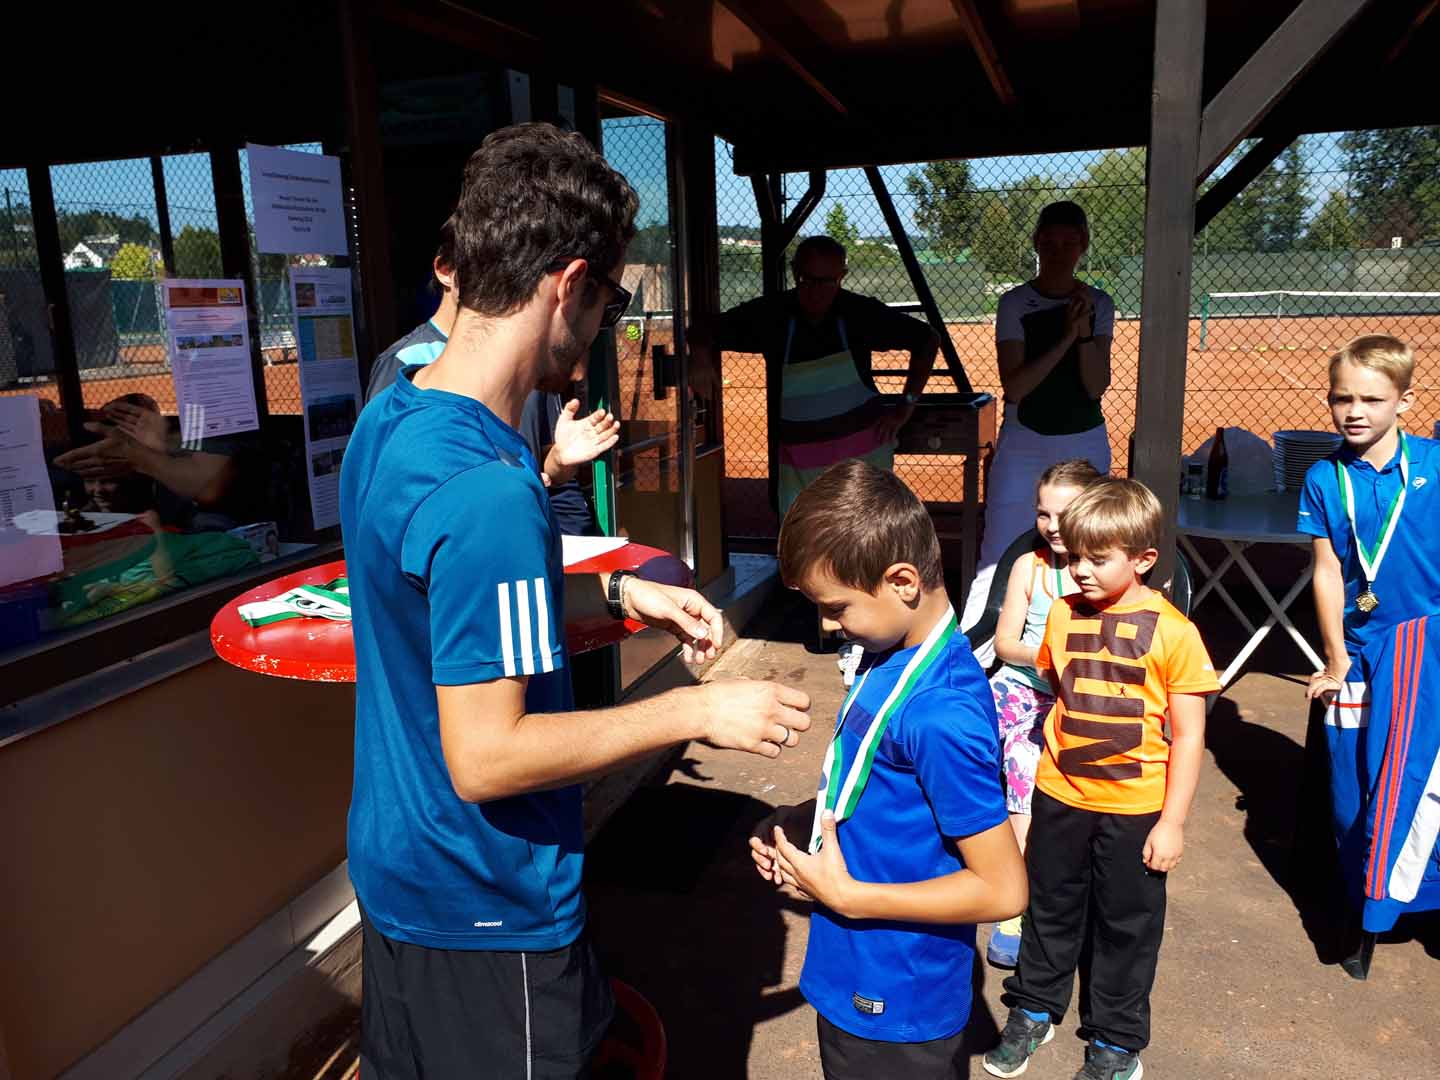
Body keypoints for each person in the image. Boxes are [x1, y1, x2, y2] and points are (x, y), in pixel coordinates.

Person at [340, 122, 812, 1079]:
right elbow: (488, 756)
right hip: (488, 905)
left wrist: (620, 590)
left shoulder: (391, 418)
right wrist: (694, 712)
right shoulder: (493, 493)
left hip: (401, 874)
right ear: (569, 285)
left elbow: (449, 602)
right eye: (611, 301)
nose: (605, 328)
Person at [748, 459, 1027, 1080]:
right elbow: (881, 786)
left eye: (836, 607)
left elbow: (1003, 889)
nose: (827, 624)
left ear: (902, 581)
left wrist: (849, 896)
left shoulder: (941, 713)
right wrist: (804, 821)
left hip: (899, 997)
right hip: (855, 969)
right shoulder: (889, 653)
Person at [984, 477, 1218, 1080]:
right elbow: (1059, 690)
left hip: (1135, 808)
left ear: (1142, 559)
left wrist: (1172, 823)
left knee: (1125, 924)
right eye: (1074, 558)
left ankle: (1116, 1041)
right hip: (1059, 794)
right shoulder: (1061, 614)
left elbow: (1188, 736)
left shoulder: (1175, 632)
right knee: (1048, 906)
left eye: (1097, 558)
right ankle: (1034, 1007)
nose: (1080, 570)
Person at [1298, 335, 1440, 956]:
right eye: (1342, 398)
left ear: (1405, 401)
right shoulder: (1323, 477)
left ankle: (1420, 898)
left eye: (1372, 400)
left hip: (1427, 646)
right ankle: (1369, 901)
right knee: (1358, 779)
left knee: (1419, 776)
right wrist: (1335, 658)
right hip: (1361, 648)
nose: (1354, 411)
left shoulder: (1434, 465)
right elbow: (1328, 570)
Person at [365, 215, 615, 535]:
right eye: (479, 265)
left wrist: (556, 462)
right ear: (445, 271)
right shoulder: (405, 365)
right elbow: (395, 500)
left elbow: (533, 470)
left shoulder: (531, 359)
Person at [688, 235, 940, 519]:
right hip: (799, 471)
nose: (815, 292)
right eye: (806, 280)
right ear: (794, 271)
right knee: (803, 540)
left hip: (862, 468)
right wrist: (699, 355)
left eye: (827, 281)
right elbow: (702, 329)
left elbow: (927, 339)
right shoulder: (772, 315)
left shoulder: (859, 312)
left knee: (865, 539)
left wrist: (906, 406)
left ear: (842, 276)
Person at [961, 201, 1114, 666]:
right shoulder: (1015, 303)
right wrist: (1067, 335)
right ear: (1036, 243)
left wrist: (1084, 334)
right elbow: (1017, 386)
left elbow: (1095, 385)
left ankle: (1085, 650)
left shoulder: (1099, 303)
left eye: (1069, 242)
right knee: (998, 549)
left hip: (1084, 440)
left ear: (1083, 245)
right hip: (1025, 440)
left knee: (1087, 546)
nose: (1058, 252)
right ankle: (971, 658)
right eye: (1049, 242)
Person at [984, 457, 1101, 968]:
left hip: (1078, 699)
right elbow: (1005, 643)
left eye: (1064, 514)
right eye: (1043, 513)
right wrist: (1050, 656)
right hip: (1021, 687)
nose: (1052, 526)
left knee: (1029, 764)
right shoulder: (1029, 567)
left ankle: (1020, 895)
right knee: (956, 739)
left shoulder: (1102, 574)